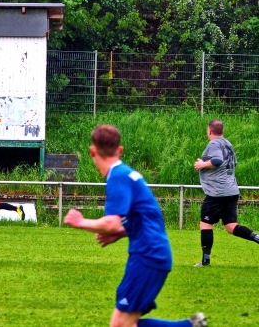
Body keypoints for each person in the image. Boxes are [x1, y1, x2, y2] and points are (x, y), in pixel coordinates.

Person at [64, 124, 207, 327]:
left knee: (122, 325)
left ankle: (188, 326)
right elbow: (149, 216)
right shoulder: (128, 174)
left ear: (92, 151)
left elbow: (111, 223)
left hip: (147, 255)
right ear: (120, 150)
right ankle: (190, 325)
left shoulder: (118, 176)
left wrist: (80, 222)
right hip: (153, 253)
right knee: (122, 324)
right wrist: (123, 232)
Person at [193, 119, 259, 267]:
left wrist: (203, 164)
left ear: (209, 131)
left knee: (205, 224)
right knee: (231, 226)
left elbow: (217, 160)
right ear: (221, 131)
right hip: (231, 190)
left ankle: (205, 262)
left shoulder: (214, 143)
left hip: (218, 192)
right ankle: (257, 238)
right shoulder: (228, 144)